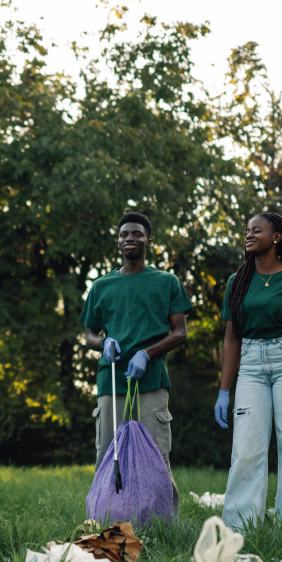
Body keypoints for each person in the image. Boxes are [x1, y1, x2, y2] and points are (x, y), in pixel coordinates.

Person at [214, 212, 282, 529]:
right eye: (246, 230)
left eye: (257, 230)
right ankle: (239, 531)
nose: (248, 235)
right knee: (246, 450)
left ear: (277, 237)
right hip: (250, 365)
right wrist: (224, 391)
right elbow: (231, 339)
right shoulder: (237, 283)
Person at [80, 212, 192, 514]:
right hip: (111, 379)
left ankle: (162, 525)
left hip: (152, 379)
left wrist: (148, 352)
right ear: (118, 242)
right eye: (124, 234)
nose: (130, 238)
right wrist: (104, 342)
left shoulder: (166, 282)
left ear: (149, 242)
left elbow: (180, 332)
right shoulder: (102, 286)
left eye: (137, 234)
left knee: (155, 456)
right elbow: (89, 334)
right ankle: (104, 521)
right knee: (107, 454)